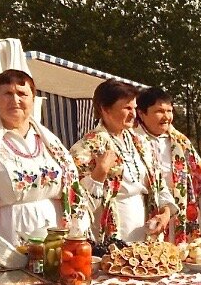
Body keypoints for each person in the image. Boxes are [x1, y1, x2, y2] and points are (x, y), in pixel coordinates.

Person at [0, 70, 89, 260]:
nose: (15, 100)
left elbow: (71, 190)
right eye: (7, 93)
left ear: (33, 98)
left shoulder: (51, 143)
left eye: (22, 94)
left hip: (54, 236)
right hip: (8, 236)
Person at [71, 79, 176, 243]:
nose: (133, 114)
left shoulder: (140, 142)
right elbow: (77, 201)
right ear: (105, 109)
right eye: (127, 108)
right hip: (110, 233)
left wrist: (166, 212)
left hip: (144, 229)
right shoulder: (87, 148)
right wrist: (99, 173)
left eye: (134, 108)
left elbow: (158, 182)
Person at [134, 87, 201, 245]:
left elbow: (200, 177)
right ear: (141, 113)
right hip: (146, 208)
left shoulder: (179, 140)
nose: (166, 117)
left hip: (179, 207)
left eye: (169, 111)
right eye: (159, 111)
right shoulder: (132, 140)